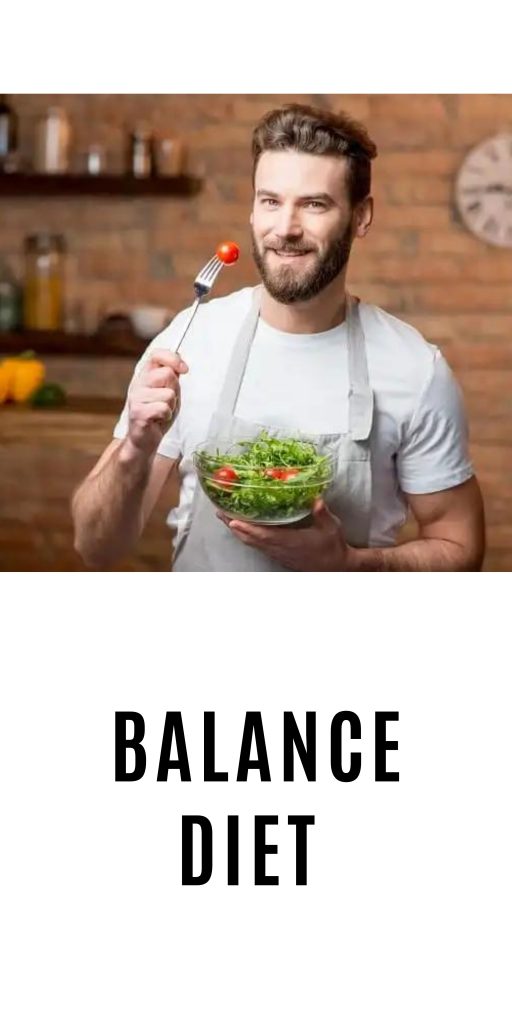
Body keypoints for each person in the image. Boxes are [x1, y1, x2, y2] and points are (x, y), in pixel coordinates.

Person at [72, 103, 485, 572]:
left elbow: (461, 550)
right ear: (252, 209)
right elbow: (95, 547)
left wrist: (348, 564)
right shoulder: (190, 340)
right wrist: (135, 449)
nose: (285, 229)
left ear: (361, 216)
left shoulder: (414, 368)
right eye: (270, 200)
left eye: (314, 204)